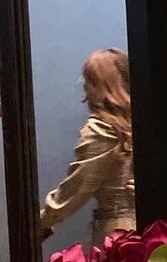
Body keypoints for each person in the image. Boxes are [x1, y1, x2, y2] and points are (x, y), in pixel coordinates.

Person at [39, 48, 135, 247]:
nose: (84, 86)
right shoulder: (145, 120)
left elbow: (76, 188)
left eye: (89, 80)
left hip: (120, 234)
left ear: (101, 84)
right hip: (153, 229)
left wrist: (37, 224)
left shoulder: (102, 130)